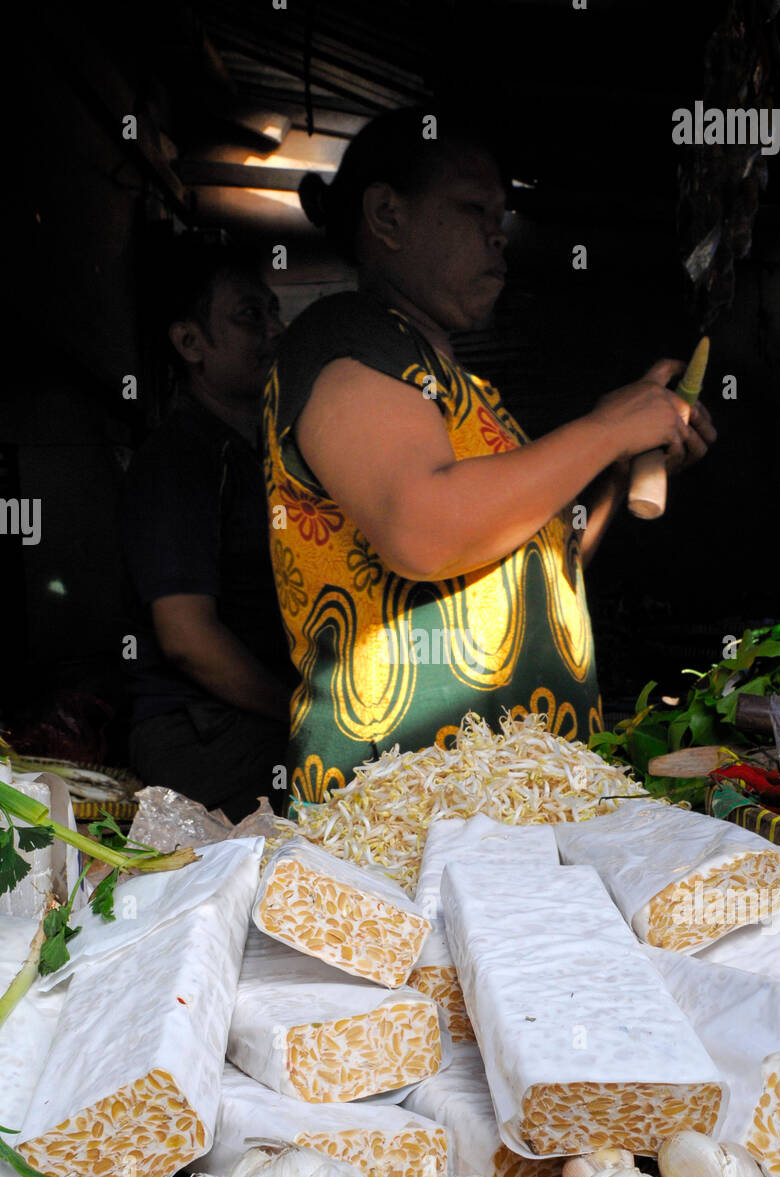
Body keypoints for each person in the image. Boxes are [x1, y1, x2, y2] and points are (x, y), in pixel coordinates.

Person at [264, 107, 716, 803]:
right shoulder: (344, 337)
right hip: (405, 806)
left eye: (500, 215)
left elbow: (540, 560)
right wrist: (602, 429)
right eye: (474, 209)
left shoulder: (468, 392)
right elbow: (422, 532)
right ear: (386, 215)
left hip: (505, 798)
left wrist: (621, 462)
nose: (496, 235)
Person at [124, 240, 294, 821]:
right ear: (190, 342)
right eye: (251, 316)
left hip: (243, 720)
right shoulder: (180, 458)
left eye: (273, 310)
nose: (275, 328)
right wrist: (305, 708)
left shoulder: (248, 453)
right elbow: (187, 638)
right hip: (201, 733)